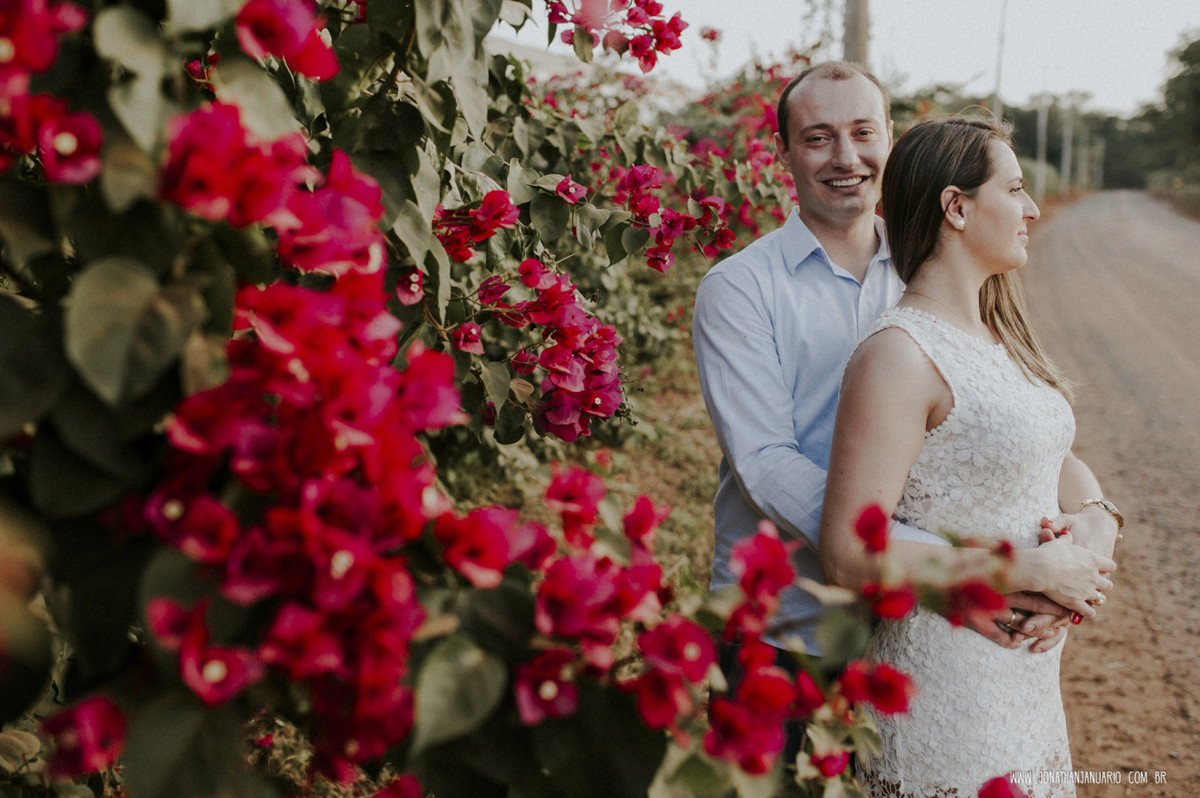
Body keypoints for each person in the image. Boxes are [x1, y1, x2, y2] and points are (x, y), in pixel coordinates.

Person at [818, 114, 1123, 796]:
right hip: (946, 683)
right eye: (1014, 189)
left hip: (1024, 683)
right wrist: (1027, 568)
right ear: (956, 208)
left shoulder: (1000, 335)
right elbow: (846, 554)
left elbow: (1054, 457)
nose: (1032, 208)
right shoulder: (898, 356)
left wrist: (1097, 523)